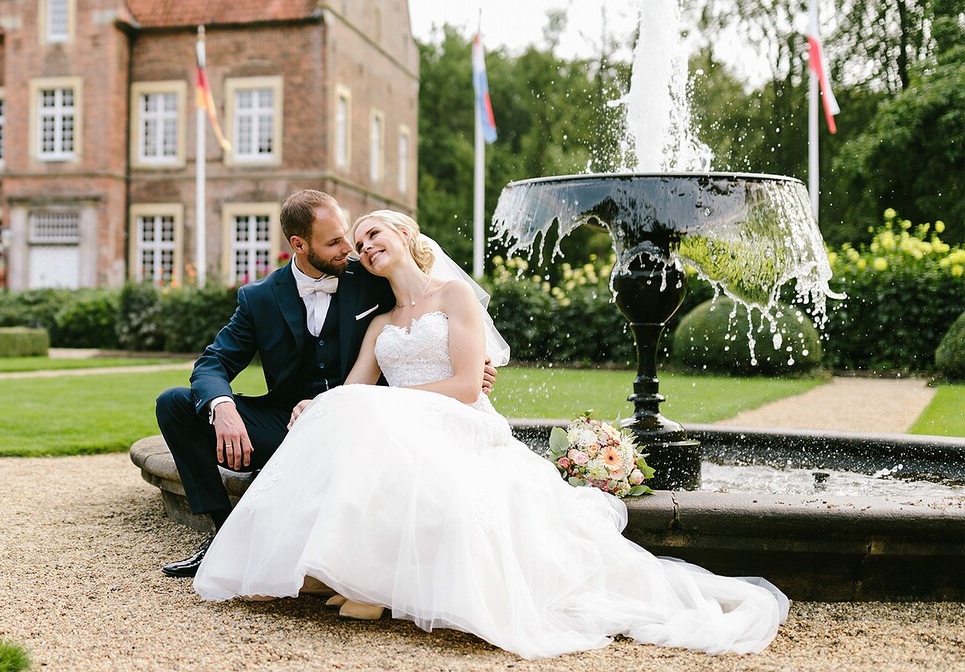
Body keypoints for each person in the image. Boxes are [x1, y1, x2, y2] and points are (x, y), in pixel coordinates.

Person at [191, 210, 789, 660]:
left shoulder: (453, 296)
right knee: (337, 414)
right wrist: (317, 406)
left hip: (458, 418)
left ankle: (367, 581)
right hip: (402, 420)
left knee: (368, 416)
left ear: (406, 236)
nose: (367, 246)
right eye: (361, 240)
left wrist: (382, 401)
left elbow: (463, 386)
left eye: (376, 235)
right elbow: (353, 387)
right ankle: (339, 569)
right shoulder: (376, 323)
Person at [154, 190, 496, 578]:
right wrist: (224, 407)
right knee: (175, 404)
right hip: (284, 424)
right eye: (334, 242)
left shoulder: (370, 275)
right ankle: (219, 531)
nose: (350, 248)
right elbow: (212, 362)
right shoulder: (259, 298)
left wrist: (468, 363)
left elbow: (423, 310)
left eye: (348, 236)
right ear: (299, 245)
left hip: (359, 421)